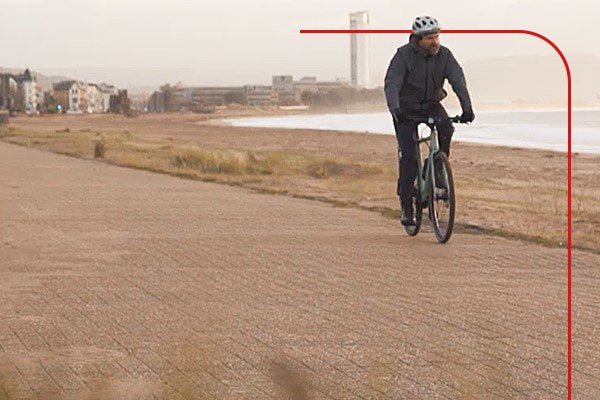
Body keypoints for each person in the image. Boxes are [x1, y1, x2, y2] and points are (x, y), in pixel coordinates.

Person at [384, 16, 474, 226]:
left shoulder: (444, 55)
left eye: (437, 37)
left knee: (446, 128)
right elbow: (392, 83)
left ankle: (437, 166)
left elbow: (458, 81)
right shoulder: (403, 56)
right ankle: (407, 205)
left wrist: (467, 109)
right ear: (418, 39)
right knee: (408, 157)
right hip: (405, 108)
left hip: (432, 104)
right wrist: (395, 108)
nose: (435, 42)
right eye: (430, 38)